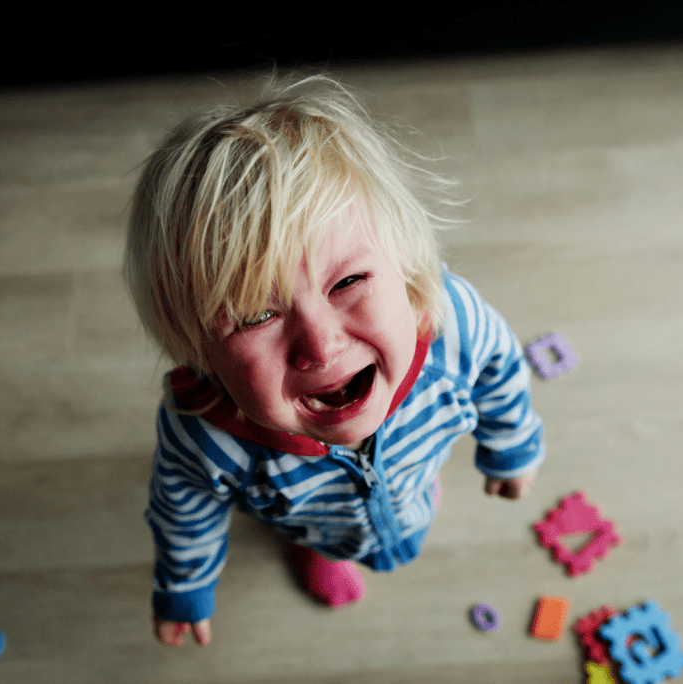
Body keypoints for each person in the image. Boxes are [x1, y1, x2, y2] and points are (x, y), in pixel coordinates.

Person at [124, 72, 545, 648]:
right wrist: (184, 586)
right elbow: (183, 509)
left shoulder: (453, 327)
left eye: (348, 281)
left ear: (407, 269)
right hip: (314, 521)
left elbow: (501, 373)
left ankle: (406, 496)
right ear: (199, 351)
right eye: (254, 317)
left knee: (410, 489)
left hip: (414, 467)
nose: (321, 345)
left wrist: (511, 445)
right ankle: (317, 547)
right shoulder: (203, 436)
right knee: (316, 528)